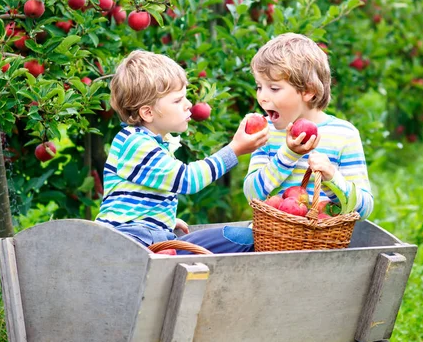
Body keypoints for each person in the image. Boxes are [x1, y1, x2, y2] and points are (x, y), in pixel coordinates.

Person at [181, 33, 374, 252]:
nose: (262, 97)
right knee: (235, 235)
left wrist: (331, 177)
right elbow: (253, 195)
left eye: (273, 88)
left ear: (308, 91)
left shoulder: (344, 135)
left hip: (321, 246)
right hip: (270, 242)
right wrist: (288, 155)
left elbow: (364, 208)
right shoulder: (267, 132)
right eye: (259, 86)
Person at [95, 50, 268, 251]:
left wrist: (163, 219)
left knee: (244, 237)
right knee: (242, 238)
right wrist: (234, 150)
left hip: (149, 238)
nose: (189, 105)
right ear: (148, 112)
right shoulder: (136, 145)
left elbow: (138, 196)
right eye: (177, 100)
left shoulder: (153, 142)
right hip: (132, 244)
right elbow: (187, 179)